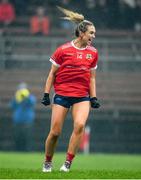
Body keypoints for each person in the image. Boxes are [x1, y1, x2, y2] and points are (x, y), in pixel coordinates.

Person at [41, 6, 100, 173]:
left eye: (94, 33)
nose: (93, 36)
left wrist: (93, 97)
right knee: (55, 133)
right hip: (62, 94)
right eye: (91, 33)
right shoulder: (63, 50)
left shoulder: (93, 53)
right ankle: (47, 162)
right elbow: (52, 74)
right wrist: (46, 94)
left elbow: (92, 77)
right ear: (82, 33)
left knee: (80, 125)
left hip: (82, 96)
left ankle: (67, 163)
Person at [10, 82, 36, 151]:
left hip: (27, 121)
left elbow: (32, 103)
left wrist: (26, 97)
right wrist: (16, 98)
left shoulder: (30, 97)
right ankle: (17, 150)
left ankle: (27, 150)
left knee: (27, 137)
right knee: (17, 137)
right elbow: (11, 106)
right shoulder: (16, 98)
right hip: (17, 121)